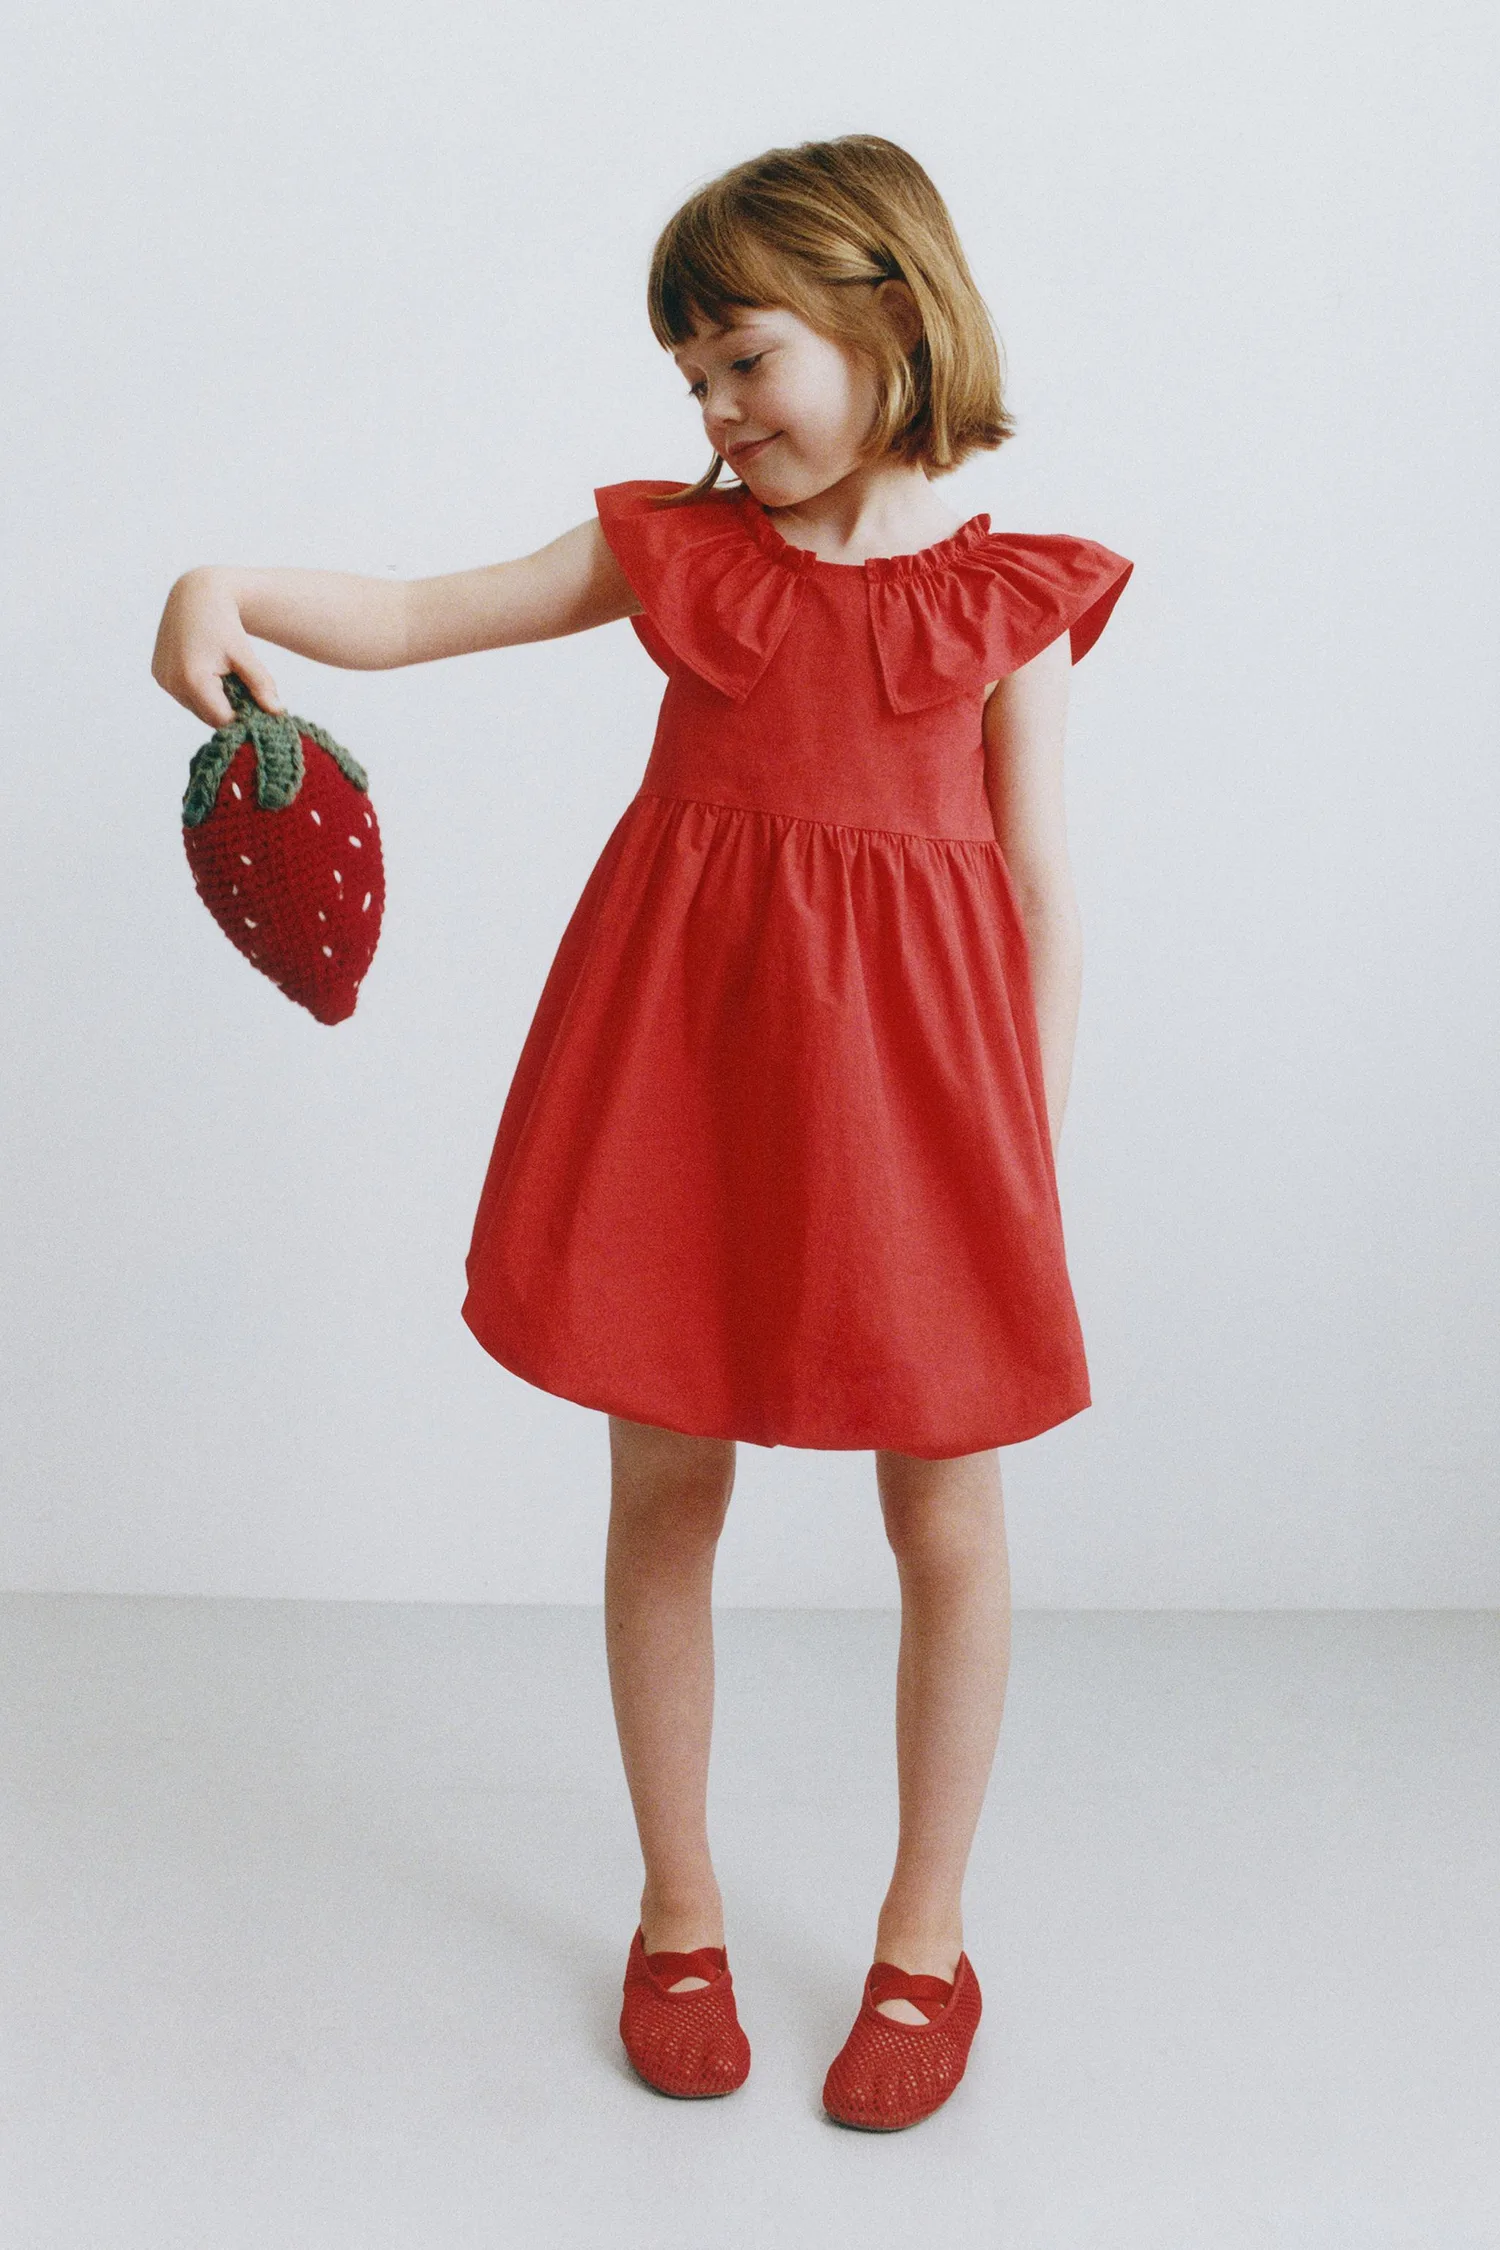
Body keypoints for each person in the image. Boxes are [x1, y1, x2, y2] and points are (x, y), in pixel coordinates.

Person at [151, 132, 1133, 2132]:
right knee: (666, 1489)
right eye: (689, 377)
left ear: (888, 313)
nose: (713, 413)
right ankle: (678, 1911)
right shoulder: (678, 551)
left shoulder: (1007, 597)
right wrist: (220, 586)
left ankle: (925, 1937)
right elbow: (422, 611)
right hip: (690, 1074)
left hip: (922, 1109)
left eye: (743, 361)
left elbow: (1043, 884)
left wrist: (1025, 1150)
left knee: (946, 1514)